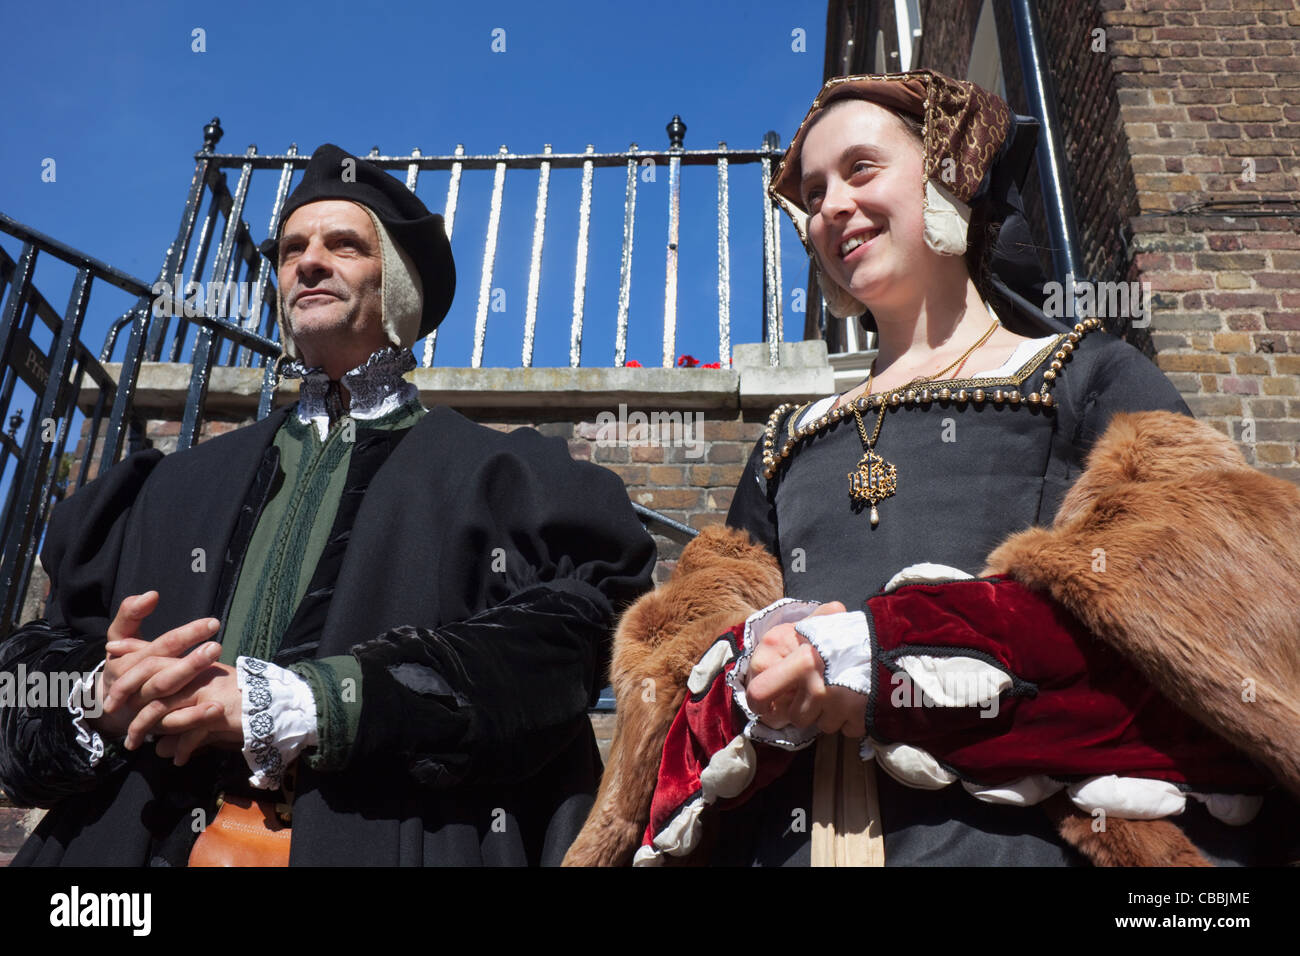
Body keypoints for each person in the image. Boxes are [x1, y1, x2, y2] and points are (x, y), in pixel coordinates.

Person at [628, 70, 1296, 866]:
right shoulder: (784, 441)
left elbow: (1207, 604)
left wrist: (885, 661)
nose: (831, 205)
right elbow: (688, 676)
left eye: (861, 169)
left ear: (946, 172)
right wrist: (753, 670)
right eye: (813, 194)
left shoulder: (1084, 375)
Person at [0, 143, 657, 866]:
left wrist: (313, 703)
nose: (309, 262)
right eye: (292, 250)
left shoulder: (505, 479)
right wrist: (99, 690)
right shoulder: (162, 487)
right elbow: (23, 676)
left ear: (399, 286)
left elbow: (561, 652)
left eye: (344, 245)